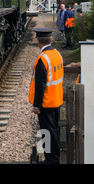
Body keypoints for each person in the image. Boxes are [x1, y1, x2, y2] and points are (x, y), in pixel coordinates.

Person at [29, 28, 64, 164]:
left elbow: (40, 85)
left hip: (46, 102)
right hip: (56, 99)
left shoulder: (42, 59)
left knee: (47, 132)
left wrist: (37, 105)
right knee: (53, 130)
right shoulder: (57, 54)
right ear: (51, 40)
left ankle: (51, 160)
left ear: (38, 41)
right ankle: (53, 158)